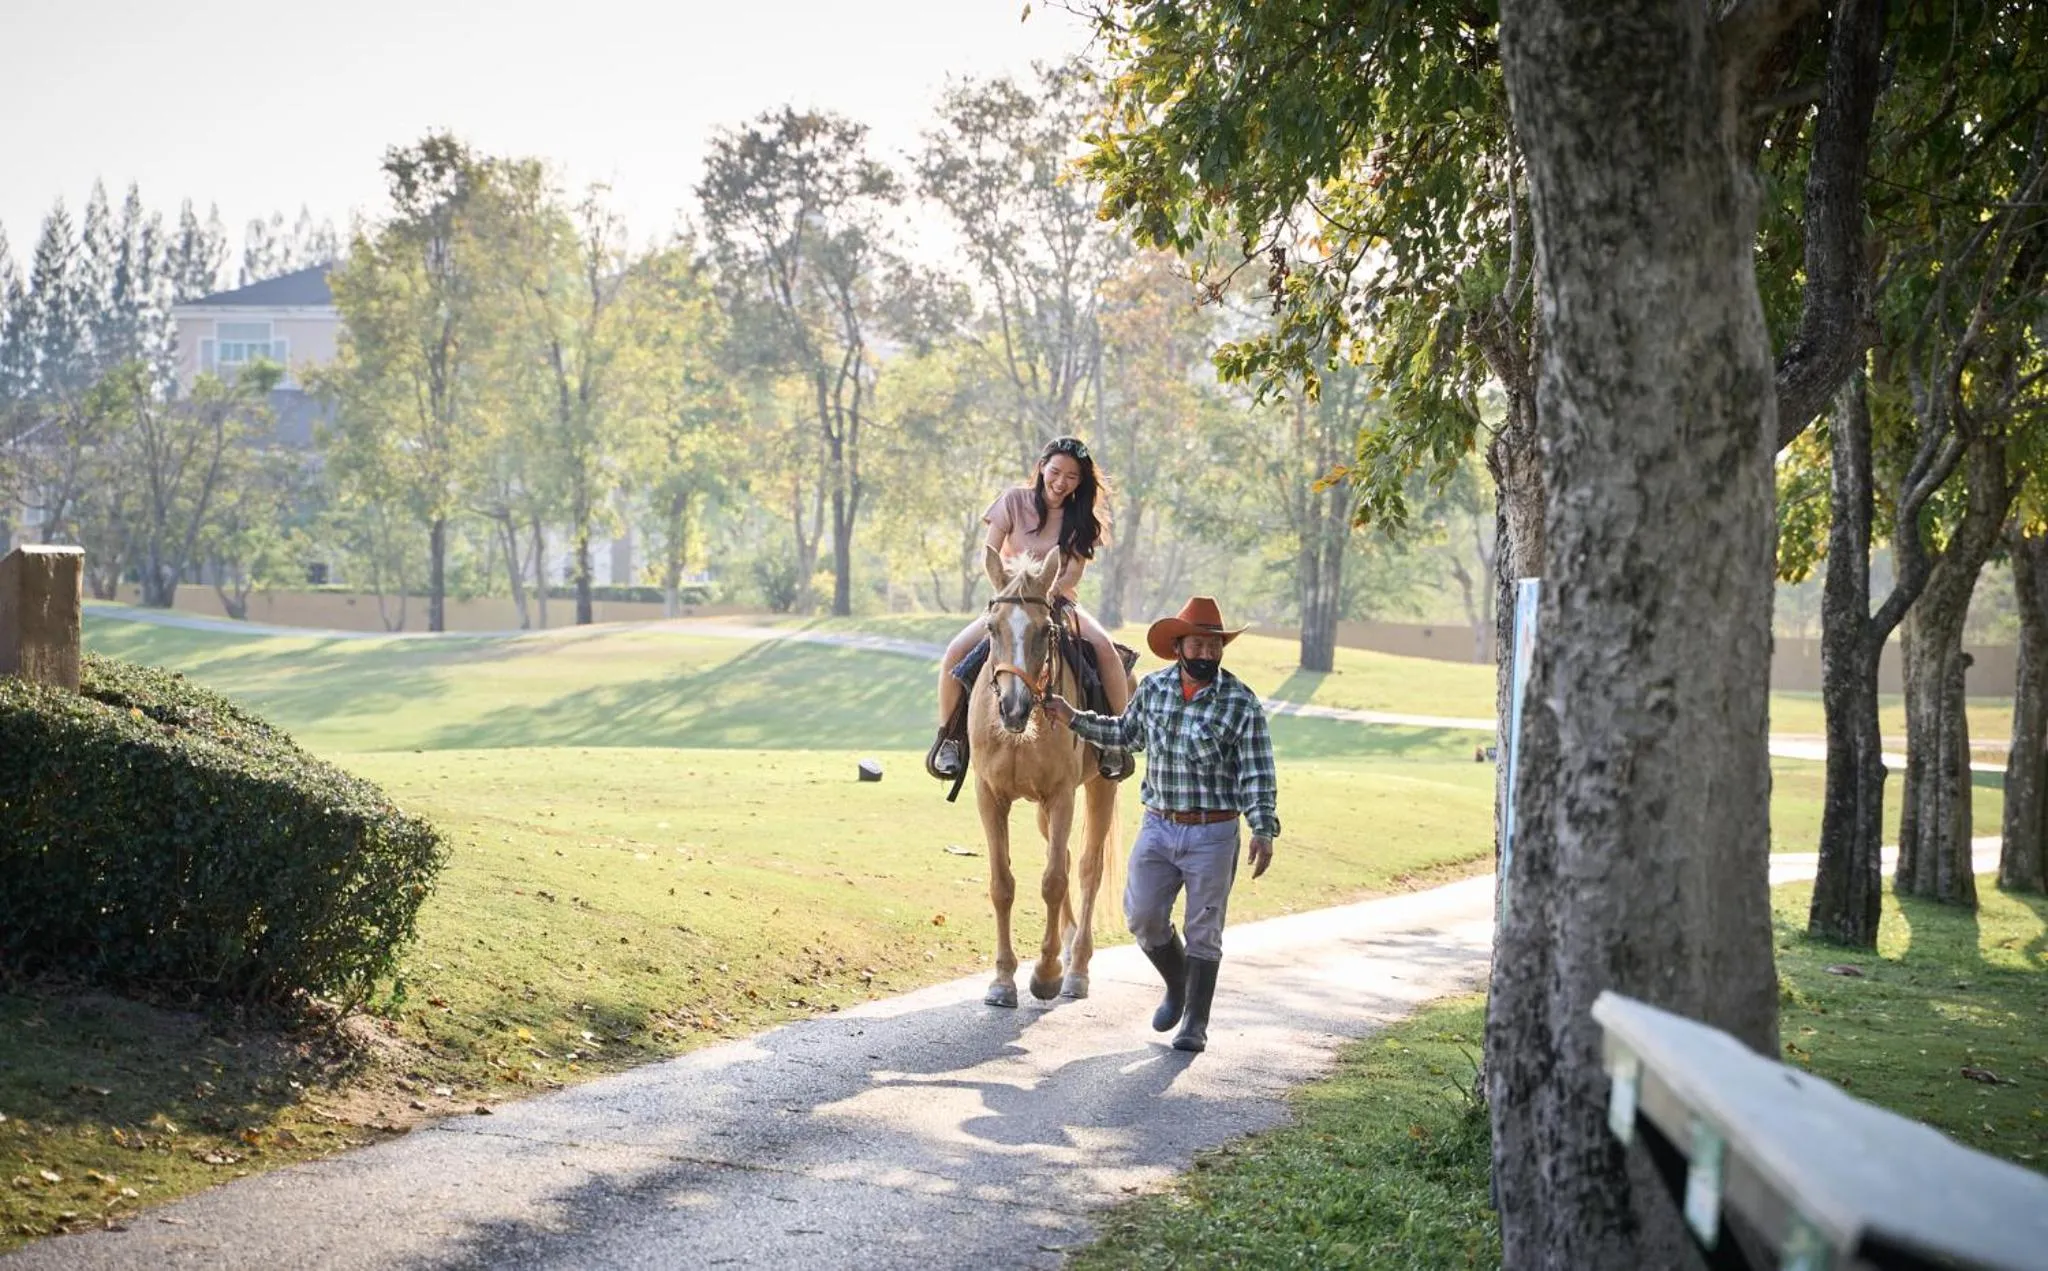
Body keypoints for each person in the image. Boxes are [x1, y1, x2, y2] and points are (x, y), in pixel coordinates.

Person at [1043, 596, 1278, 1053]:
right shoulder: (1153, 689)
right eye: (1199, 645)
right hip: (1158, 826)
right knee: (1143, 918)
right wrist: (1073, 718)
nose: (1208, 654)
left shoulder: (1240, 702)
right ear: (1179, 647)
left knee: (1204, 928)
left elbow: (1257, 770)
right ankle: (1178, 983)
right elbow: (1124, 736)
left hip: (1213, 831)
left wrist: (1263, 827)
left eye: (1215, 646)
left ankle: (1195, 1022)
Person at [928, 436, 1132, 781]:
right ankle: (949, 739)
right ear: (1041, 468)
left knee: (1106, 651)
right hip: (1009, 600)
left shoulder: (1079, 518)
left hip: (1057, 600)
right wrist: (1013, 590)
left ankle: (1115, 741)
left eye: (1071, 476)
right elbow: (989, 554)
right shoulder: (1012, 501)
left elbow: (1074, 571)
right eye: (1055, 471)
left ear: (1080, 481)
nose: (1060, 481)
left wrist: (1044, 594)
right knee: (955, 652)